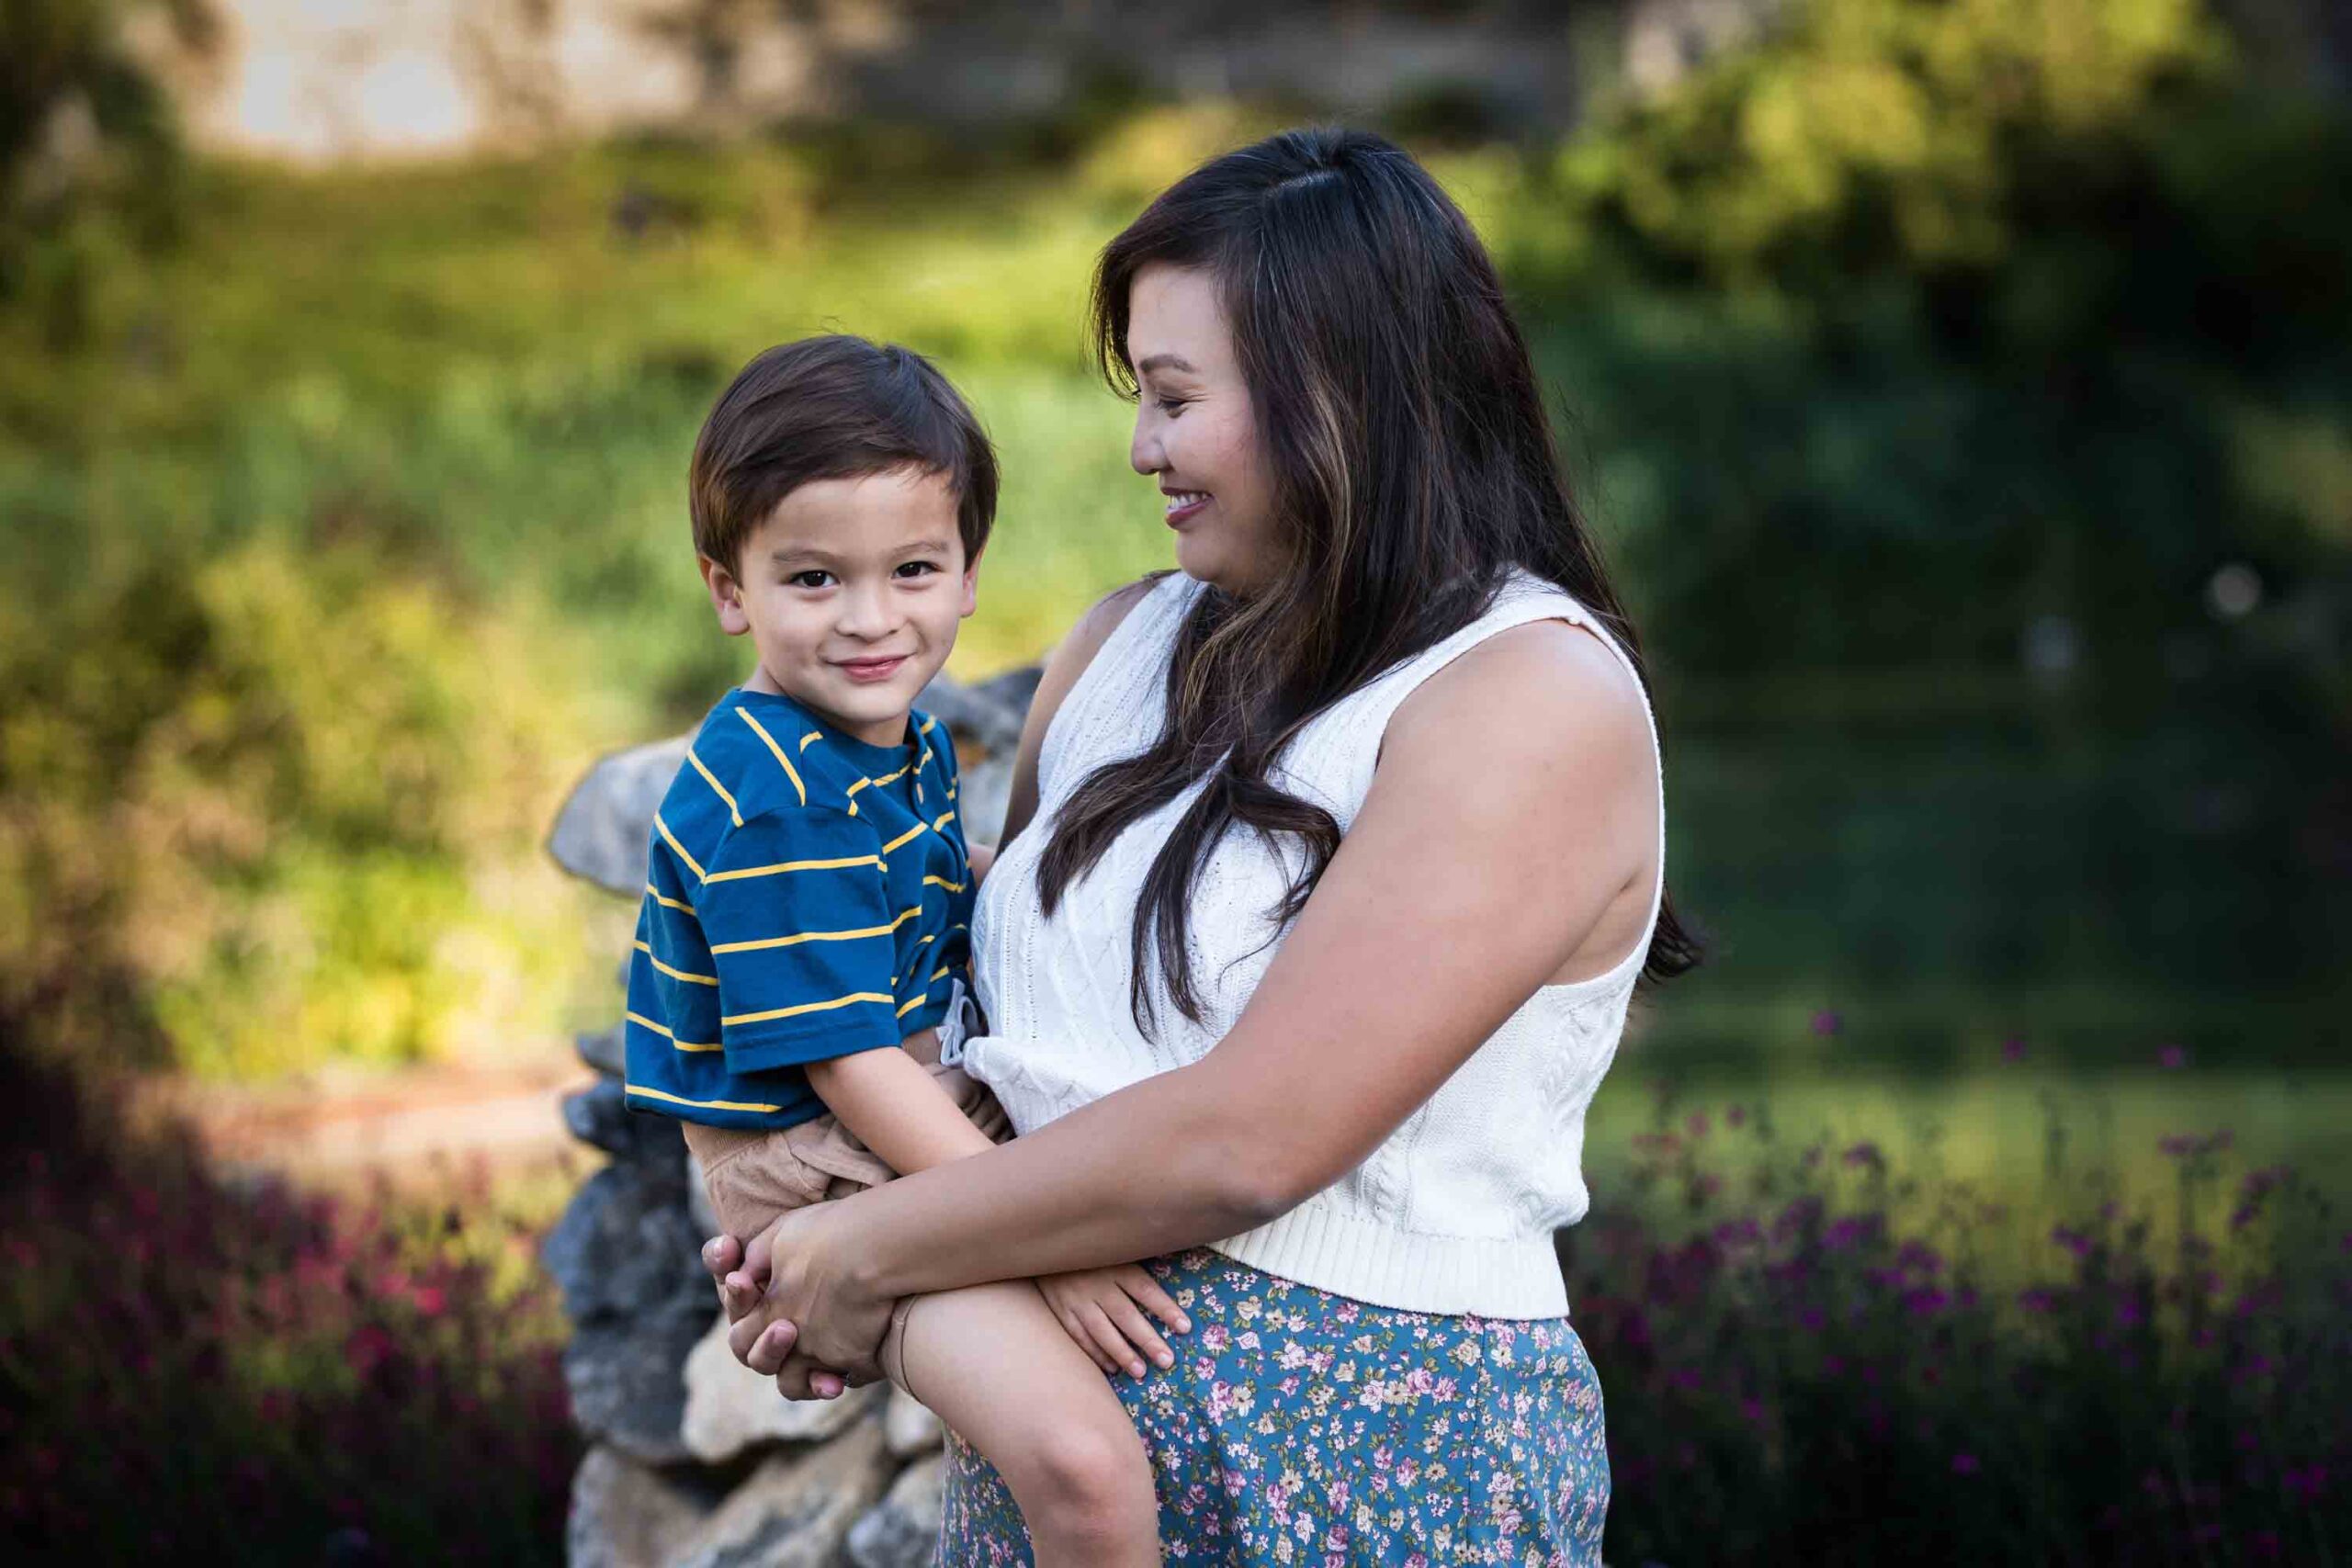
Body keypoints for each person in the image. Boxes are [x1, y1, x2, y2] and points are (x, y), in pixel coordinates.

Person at [700, 128, 1702, 1564]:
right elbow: (977, 1041)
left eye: (1176, 397)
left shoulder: (1526, 692)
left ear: (1340, 396)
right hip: (1065, 1468)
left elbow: (1253, 1138)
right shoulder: (1118, 646)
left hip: (1376, 1471)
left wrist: (870, 1257)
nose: (1140, 448)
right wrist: (811, 1241)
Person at [626, 333, 1181, 1566]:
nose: (872, 621)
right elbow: (851, 1067)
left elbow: (932, 901)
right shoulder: (773, 792)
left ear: (970, 571)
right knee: (1083, 1465)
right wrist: (1049, 1235)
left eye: (914, 569)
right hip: (825, 1156)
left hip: (907, 1110)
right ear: (731, 591)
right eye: (814, 580)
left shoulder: (892, 738)